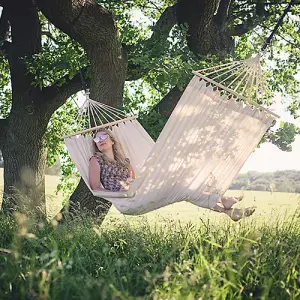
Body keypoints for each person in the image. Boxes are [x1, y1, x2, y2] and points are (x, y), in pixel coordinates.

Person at [89, 129, 255, 221]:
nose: (100, 139)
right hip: (128, 202)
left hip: (139, 193)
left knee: (183, 186)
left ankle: (229, 212)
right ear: (96, 144)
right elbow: (96, 188)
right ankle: (222, 199)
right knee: (182, 188)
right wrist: (120, 193)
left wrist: (136, 185)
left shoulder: (125, 161)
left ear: (112, 140)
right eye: (97, 139)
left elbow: (135, 179)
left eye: (104, 136)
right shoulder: (96, 161)